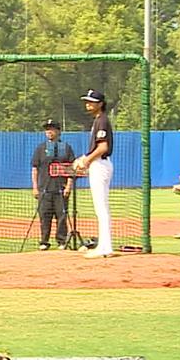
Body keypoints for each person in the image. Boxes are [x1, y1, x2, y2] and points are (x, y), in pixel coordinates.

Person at [72, 89, 113, 258]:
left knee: (101, 208)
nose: (88, 104)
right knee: (101, 208)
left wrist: (86, 161)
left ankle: (105, 247)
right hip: (99, 163)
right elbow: (97, 148)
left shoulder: (102, 120)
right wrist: (85, 157)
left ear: (100, 104)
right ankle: (104, 246)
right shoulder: (98, 120)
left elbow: (103, 147)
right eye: (87, 101)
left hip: (100, 164)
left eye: (91, 101)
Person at [30, 119, 75, 250]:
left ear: (58, 131)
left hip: (60, 188)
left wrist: (68, 185)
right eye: (47, 129)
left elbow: (71, 168)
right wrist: (35, 187)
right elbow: (35, 168)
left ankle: (61, 241)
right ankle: (44, 241)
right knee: (44, 215)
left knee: (61, 215)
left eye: (52, 129)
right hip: (44, 189)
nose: (49, 131)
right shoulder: (40, 148)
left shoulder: (65, 147)